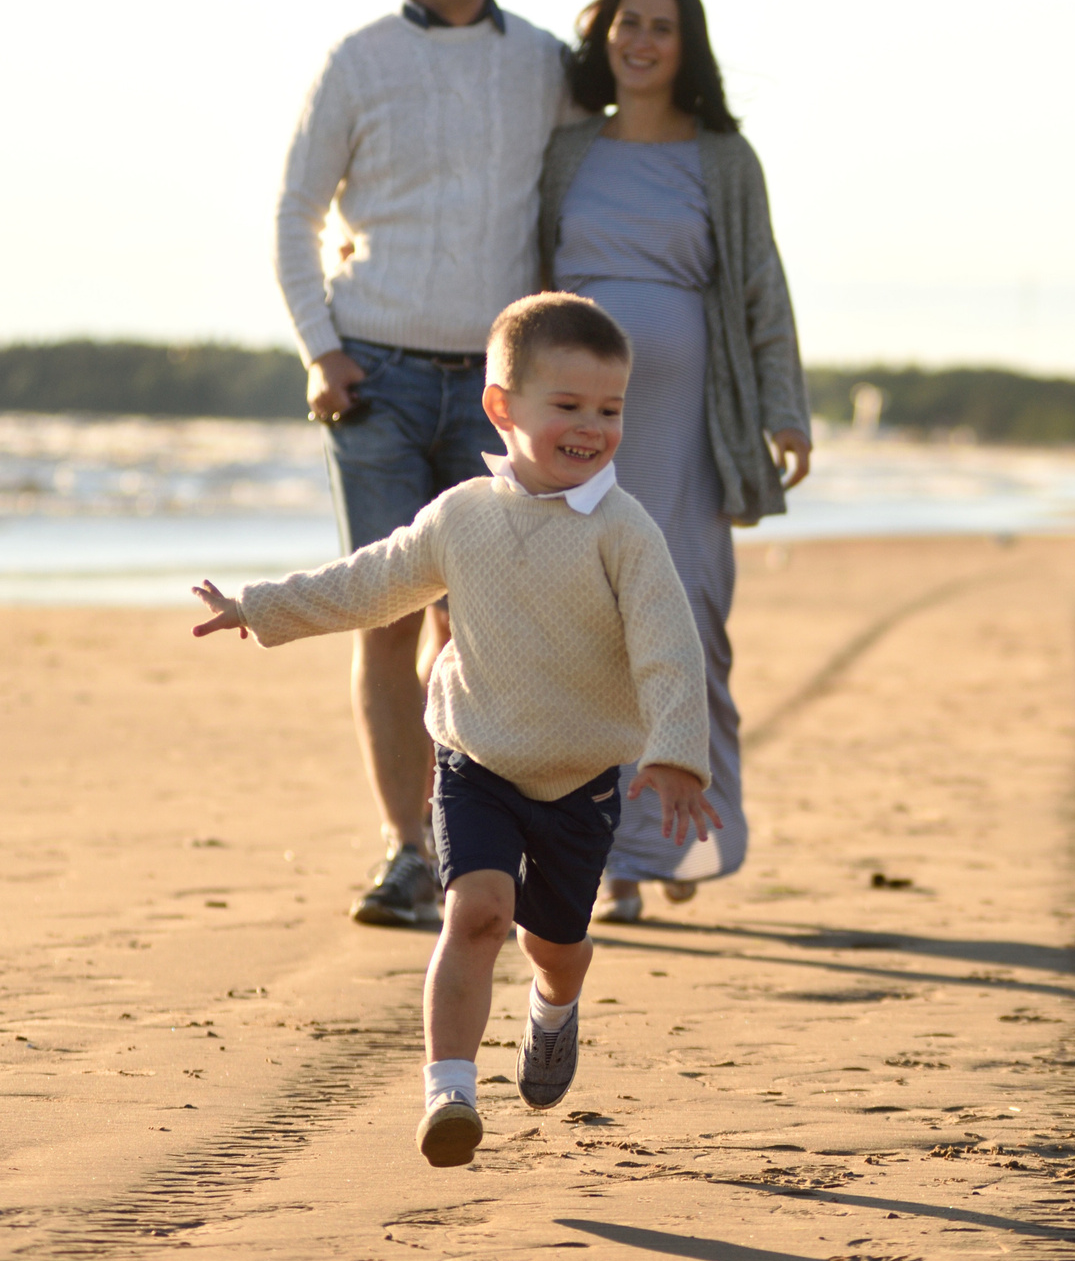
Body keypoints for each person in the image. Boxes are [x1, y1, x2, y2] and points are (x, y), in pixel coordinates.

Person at [190, 294, 718, 1169]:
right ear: (504, 406)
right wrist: (260, 607)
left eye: (611, 409)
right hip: (474, 758)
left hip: (579, 778)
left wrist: (674, 752)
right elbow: (371, 583)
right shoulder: (463, 515)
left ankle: (553, 1005)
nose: (592, 428)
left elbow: (667, 646)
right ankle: (450, 1091)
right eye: (569, 406)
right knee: (475, 912)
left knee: (555, 943)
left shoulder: (625, 534)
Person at [274, 0, 583, 928]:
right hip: (378, 378)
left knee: (479, 622)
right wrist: (323, 351)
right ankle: (405, 850)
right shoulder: (357, 63)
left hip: (498, 389)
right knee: (385, 616)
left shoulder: (545, 63)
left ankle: (471, 842)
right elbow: (293, 216)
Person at [540, 0, 811, 923]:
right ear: (603, 36)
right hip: (575, 426)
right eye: (626, 24)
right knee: (590, 626)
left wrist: (785, 408)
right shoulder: (568, 151)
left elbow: (760, 291)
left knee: (688, 623)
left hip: (690, 427)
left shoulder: (723, 157)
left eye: (661, 27)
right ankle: (608, 859)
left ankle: (674, 836)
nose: (641, 41)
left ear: (685, 46)